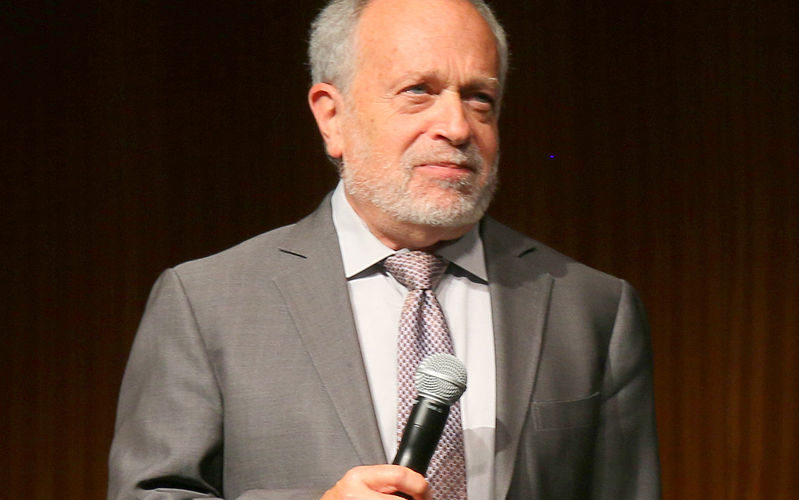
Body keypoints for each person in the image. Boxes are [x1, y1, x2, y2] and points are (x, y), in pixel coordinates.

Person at [108, 0, 661, 498]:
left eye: (479, 98)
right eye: (418, 91)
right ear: (332, 116)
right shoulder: (209, 303)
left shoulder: (591, 308)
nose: (457, 126)